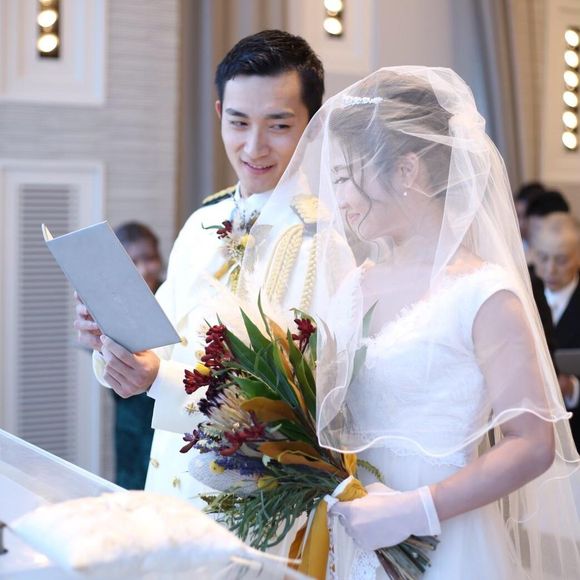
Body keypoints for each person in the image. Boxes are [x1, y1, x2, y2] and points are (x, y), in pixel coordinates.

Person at [238, 67, 580, 578]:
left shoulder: (484, 293)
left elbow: (532, 443)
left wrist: (417, 509)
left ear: (406, 171)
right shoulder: (355, 284)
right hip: (357, 532)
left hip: (448, 539)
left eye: (345, 178)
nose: (340, 200)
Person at [73, 30, 324, 503]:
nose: (254, 147)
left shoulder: (326, 239)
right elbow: (161, 344)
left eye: (278, 125)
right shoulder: (202, 223)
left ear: (312, 126)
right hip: (170, 486)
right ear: (219, 114)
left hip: (264, 503)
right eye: (238, 122)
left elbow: (303, 402)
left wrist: (158, 380)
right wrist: (111, 340)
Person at [107, 222, 163, 489]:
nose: (142, 269)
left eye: (149, 258)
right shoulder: (111, 304)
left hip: (165, 418)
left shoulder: (173, 297)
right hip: (129, 420)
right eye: (132, 262)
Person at [532, 214, 580, 447]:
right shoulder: (522, 291)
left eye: (561, 260)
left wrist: (572, 387)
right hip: (533, 424)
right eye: (543, 258)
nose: (550, 269)